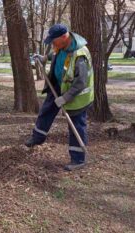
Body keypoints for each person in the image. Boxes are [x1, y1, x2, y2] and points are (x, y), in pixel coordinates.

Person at [25, 24, 94, 171]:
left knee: (76, 126)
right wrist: (45, 58)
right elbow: (55, 54)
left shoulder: (80, 55)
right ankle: (37, 137)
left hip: (76, 96)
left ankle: (78, 159)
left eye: (54, 41)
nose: (52, 44)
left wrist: (65, 98)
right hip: (58, 86)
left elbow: (80, 83)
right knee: (46, 111)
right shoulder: (61, 46)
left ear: (64, 37)